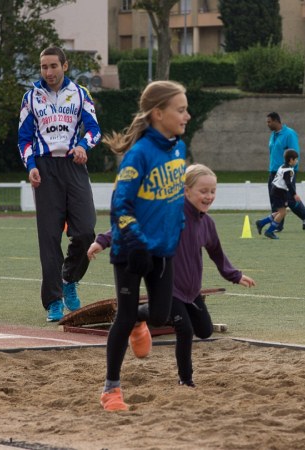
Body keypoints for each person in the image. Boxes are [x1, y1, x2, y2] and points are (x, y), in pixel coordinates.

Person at [99, 80, 189, 412]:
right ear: (158, 113)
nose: (187, 116)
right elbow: (120, 205)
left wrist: (177, 231)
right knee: (122, 318)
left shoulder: (179, 148)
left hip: (163, 249)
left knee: (162, 314)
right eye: (181, 110)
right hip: (131, 251)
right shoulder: (138, 155)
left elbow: (176, 197)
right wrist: (136, 243)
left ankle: (140, 319)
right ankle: (111, 389)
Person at [17, 46, 101, 322]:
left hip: (73, 166)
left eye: (53, 66)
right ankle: (53, 301)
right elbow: (24, 139)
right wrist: (31, 167)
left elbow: (94, 130)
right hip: (44, 169)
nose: (49, 72)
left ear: (65, 66)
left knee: (87, 231)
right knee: (49, 237)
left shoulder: (79, 94)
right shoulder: (31, 98)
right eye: (44, 67)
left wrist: (82, 146)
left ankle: (70, 279)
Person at [171, 164, 256, 388]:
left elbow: (216, 253)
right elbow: (136, 224)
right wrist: (103, 241)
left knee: (205, 331)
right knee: (185, 330)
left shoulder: (207, 224)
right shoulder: (170, 214)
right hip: (167, 286)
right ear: (186, 191)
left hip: (191, 290)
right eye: (203, 191)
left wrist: (234, 275)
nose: (209, 196)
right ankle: (186, 380)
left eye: (213, 191)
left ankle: (141, 313)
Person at [266, 112, 305, 231]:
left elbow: (295, 153)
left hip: (286, 172)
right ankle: (278, 225)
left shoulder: (289, 134)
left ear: (276, 121)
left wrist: (292, 171)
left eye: (269, 122)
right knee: (274, 199)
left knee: (290, 199)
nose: (267, 124)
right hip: (273, 171)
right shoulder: (273, 135)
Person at [256, 149, 301, 240]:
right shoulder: (288, 170)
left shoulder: (283, 166)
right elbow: (288, 183)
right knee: (283, 212)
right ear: (291, 160)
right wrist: (294, 194)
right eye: (296, 159)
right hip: (278, 192)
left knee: (282, 212)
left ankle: (262, 223)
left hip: (277, 191)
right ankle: (269, 231)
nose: (297, 161)